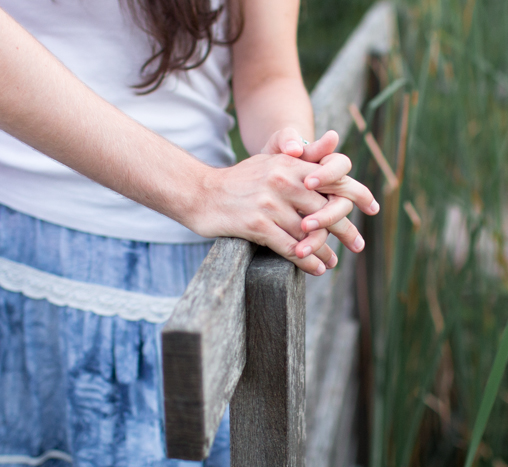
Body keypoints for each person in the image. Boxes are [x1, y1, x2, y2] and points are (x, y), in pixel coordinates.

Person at [0, 0, 378, 465]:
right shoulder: (202, 194)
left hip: (185, 280)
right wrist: (200, 190)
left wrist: (295, 164)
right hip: (16, 249)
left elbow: (268, 72)